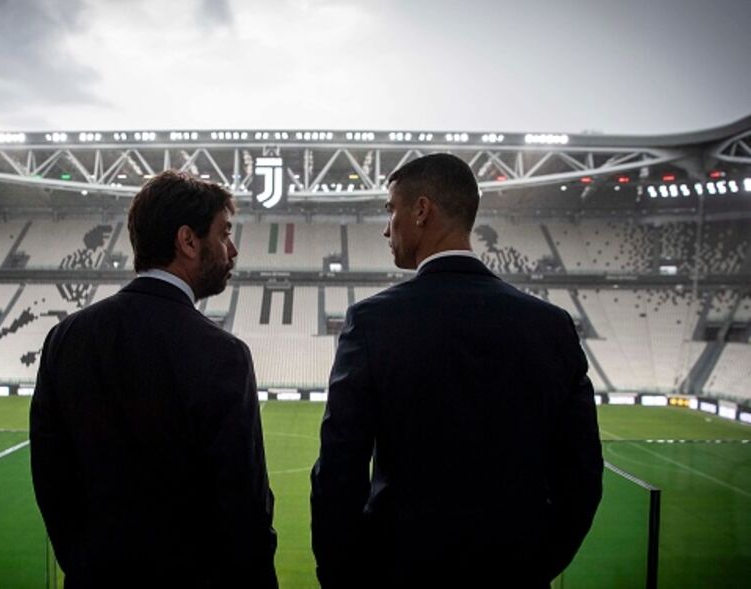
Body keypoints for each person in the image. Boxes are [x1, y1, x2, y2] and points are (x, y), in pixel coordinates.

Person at [310, 154, 603, 588]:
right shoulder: (550, 324)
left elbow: (339, 471)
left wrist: (346, 578)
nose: (387, 227)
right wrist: (535, 564)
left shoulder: (374, 322)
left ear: (421, 210)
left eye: (391, 209)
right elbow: (581, 476)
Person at [30, 171, 277, 588]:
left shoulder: (66, 338)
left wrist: (84, 564)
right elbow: (244, 505)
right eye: (224, 234)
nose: (232, 250)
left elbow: (50, 478)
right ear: (187, 240)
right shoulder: (222, 354)